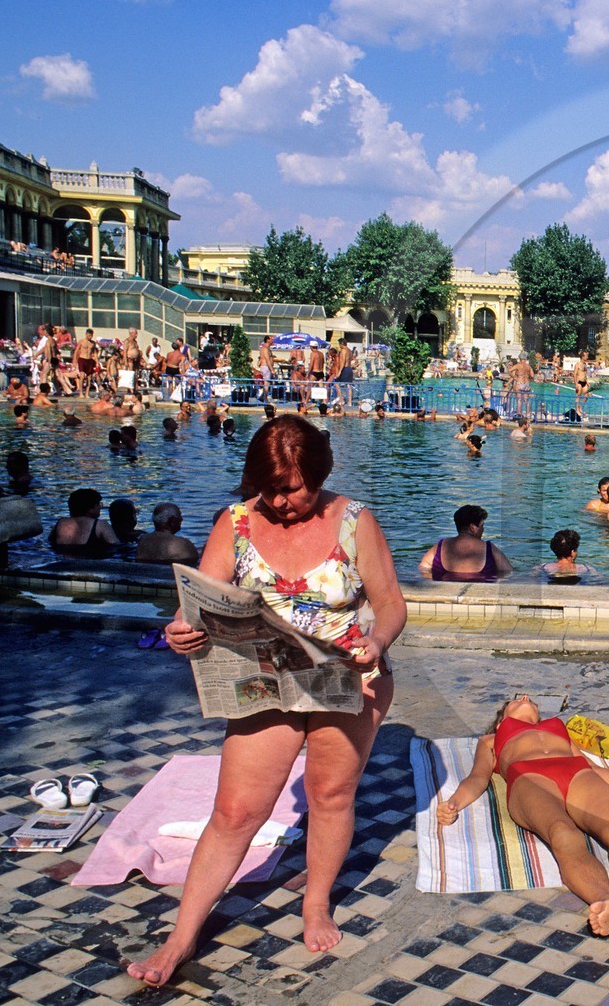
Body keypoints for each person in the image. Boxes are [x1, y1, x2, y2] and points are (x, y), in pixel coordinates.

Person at [127, 414, 406, 987]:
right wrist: (181, 628)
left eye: (295, 489)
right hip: (267, 680)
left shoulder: (354, 522)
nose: (282, 501)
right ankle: (181, 938)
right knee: (235, 812)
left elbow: (392, 603)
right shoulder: (234, 523)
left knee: (329, 794)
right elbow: (198, 601)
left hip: (345, 676)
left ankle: (316, 903)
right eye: (271, 488)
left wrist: (376, 639)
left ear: (320, 475)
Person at [435, 695, 609, 935]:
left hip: (576, 773)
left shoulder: (558, 728)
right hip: (530, 777)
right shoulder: (491, 739)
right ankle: (608, 903)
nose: (524, 698)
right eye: (515, 699)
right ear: (501, 720)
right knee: (563, 832)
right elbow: (478, 778)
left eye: (529, 699)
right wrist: (454, 804)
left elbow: (591, 766)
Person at [419, 504, 514, 582]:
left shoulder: (440, 546)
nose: (483, 529)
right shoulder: (489, 548)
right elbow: (508, 572)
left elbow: (423, 569)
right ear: (472, 528)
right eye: (482, 526)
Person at [47, 488, 120, 557]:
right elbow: (116, 546)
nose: (100, 507)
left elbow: (50, 542)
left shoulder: (60, 523)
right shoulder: (100, 525)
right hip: (88, 564)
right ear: (90, 509)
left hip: (63, 563)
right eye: (98, 504)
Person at [136, 503, 201, 565]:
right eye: (180, 516)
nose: (182, 519)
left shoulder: (142, 540)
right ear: (172, 521)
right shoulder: (182, 544)